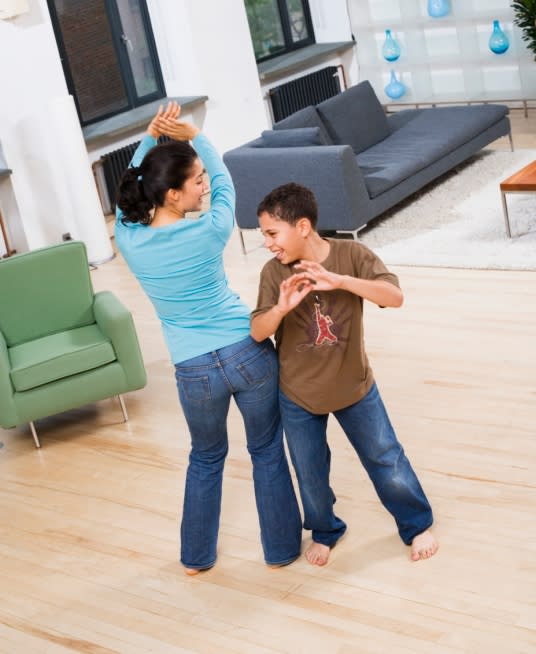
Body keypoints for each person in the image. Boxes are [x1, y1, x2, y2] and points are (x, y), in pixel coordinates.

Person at [115, 103, 302, 575]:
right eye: (194, 180)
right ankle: (280, 551)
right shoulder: (211, 229)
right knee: (265, 450)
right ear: (174, 196)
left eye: (200, 176)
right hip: (248, 354)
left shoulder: (129, 240)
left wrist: (149, 136)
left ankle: (196, 558)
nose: (204, 184)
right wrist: (197, 137)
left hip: (195, 370)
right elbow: (226, 184)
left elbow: (127, 193)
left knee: (206, 458)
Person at [250, 182, 438, 566]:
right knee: (310, 473)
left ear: (302, 226)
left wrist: (340, 282)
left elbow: (395, 297)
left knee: (386, 458)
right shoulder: (273, 273)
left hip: (355, 386)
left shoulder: (352, 254)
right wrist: (282, 308)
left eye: (272, 233)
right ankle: (325, 530)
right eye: (264, 235)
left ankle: (416, 523)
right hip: (298, 394)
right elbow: (257, 331)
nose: (267, 243)